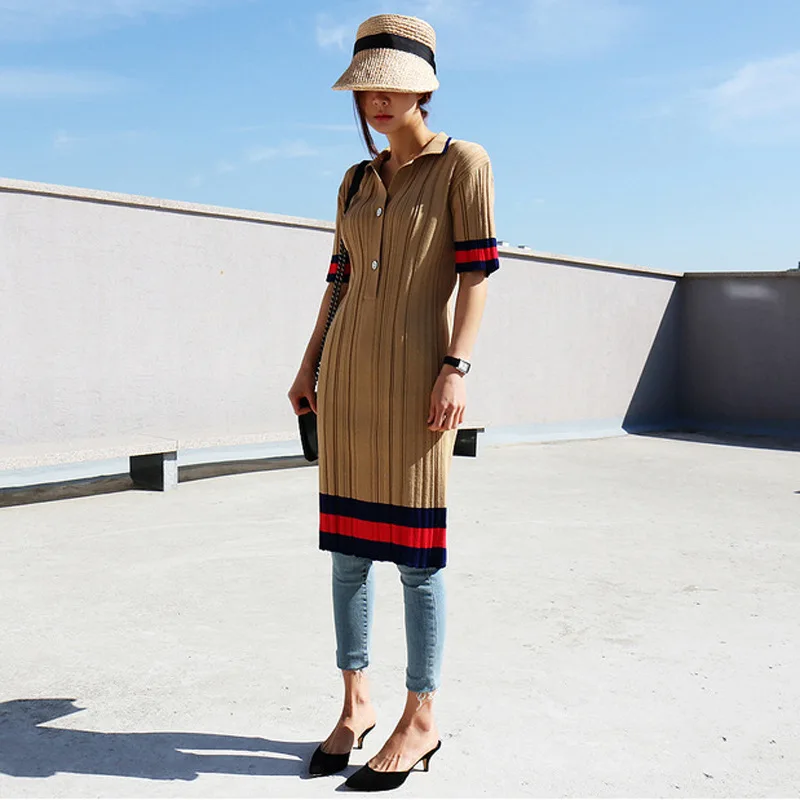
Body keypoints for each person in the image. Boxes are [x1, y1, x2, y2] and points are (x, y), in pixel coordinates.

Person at [287, 12, 499, 792]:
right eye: (365, 88)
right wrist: (308, 364)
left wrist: (456, 367)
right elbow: (337, 280)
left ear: (423, 89)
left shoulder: (462, 164)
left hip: (418, 381)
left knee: (416, 558)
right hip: (345, 379)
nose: (376, 100)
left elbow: (476, 276)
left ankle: (421, 716)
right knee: (347, 557)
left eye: (391, 85)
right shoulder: (353, 180)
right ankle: (356, 704)